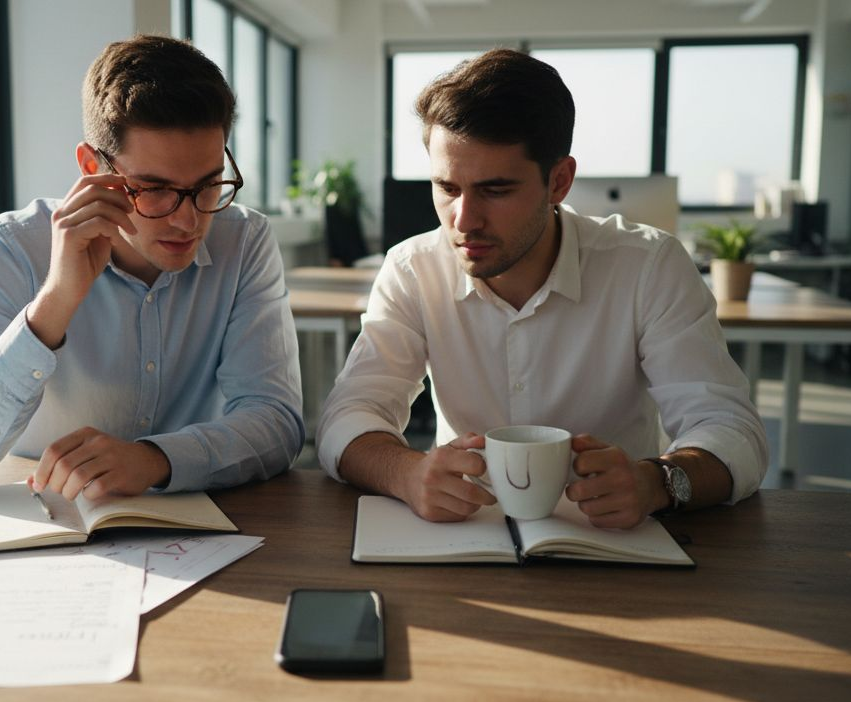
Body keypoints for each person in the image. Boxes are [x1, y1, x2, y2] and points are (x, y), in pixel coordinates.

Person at [316, 49, 767, 530]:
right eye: (447, 188)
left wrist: (658, 482)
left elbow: (731, 429)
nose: (463, 221)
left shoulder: (648, 266)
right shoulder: (412, 269)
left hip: (613, 539)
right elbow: (348, 416)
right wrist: (407, 473)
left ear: (559, 181)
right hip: (465, 535)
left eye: (495, 190)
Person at [0, 35, 304, 501]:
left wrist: (155, 459)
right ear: (90, 168)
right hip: (47, 526)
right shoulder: (10, 248)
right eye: (154, 188)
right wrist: (55, 301)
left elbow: (275, 422)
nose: (189, 219)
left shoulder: (243, 240)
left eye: (208, 184)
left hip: (197, 536)